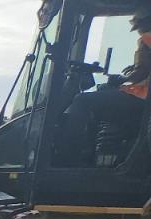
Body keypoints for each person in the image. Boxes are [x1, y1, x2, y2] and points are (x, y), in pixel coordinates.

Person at [57, 6, 151, 165]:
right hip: (143, 97)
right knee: (103, 92)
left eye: (140, 26)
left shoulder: (147, 39)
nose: (139, 31)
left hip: (142, 98)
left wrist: (120, 80)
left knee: (82, 101)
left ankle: (67, 159)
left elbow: (142, 71)